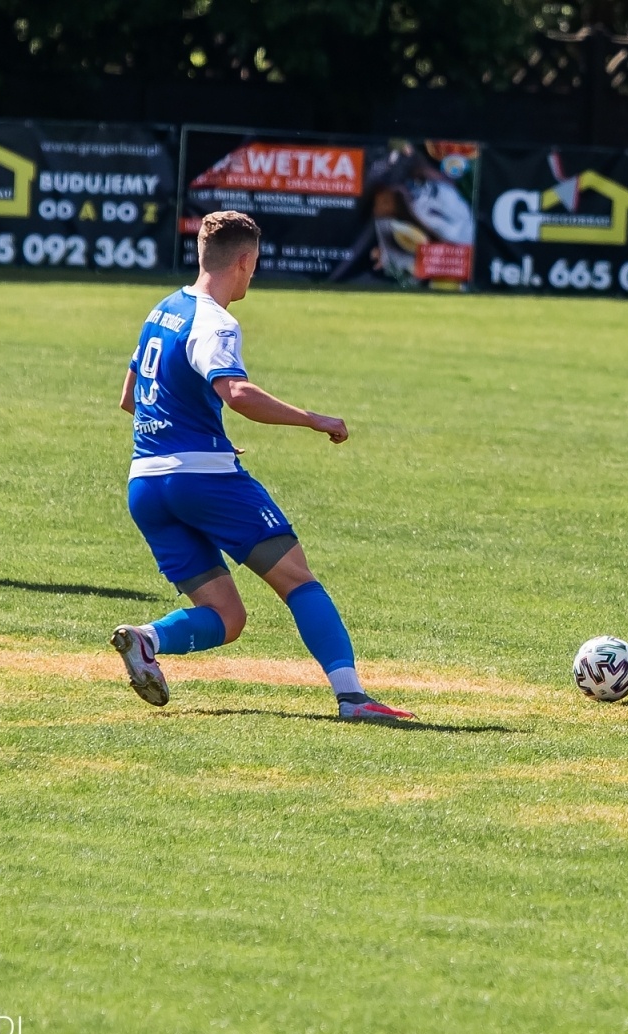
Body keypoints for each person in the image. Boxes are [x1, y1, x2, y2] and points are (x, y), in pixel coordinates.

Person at [110, 210, 413, 721]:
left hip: (145, 483)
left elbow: (129, 398)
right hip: (201, 481)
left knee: (227, 616)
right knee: (299, 580)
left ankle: (147, 638)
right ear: (246, 261)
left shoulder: (162, 310)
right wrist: (315, 419)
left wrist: (202, 438)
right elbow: (239, 394)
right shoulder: (216, 321)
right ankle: (353, 698)